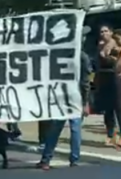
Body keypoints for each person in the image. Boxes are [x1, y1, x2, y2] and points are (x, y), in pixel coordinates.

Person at [38, 26, 93, 169]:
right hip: (76, 95)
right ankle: (74, 159)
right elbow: (85, 82)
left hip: (61, 95)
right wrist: (86, 101)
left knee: (55, 129)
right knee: (75, 129)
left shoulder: (58, 56)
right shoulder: (83, 57)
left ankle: (46, 159)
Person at [95, 25, 121, 146]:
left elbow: (118, 61)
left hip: (115, 77)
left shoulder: (117, 44)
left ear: (111, 32)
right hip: (103, 78)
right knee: (107, 109)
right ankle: (110, 134)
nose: (103, 33)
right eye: (101, 31)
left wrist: (108, 57)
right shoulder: (100, 45)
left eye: (106, 31)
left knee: (119, 107)